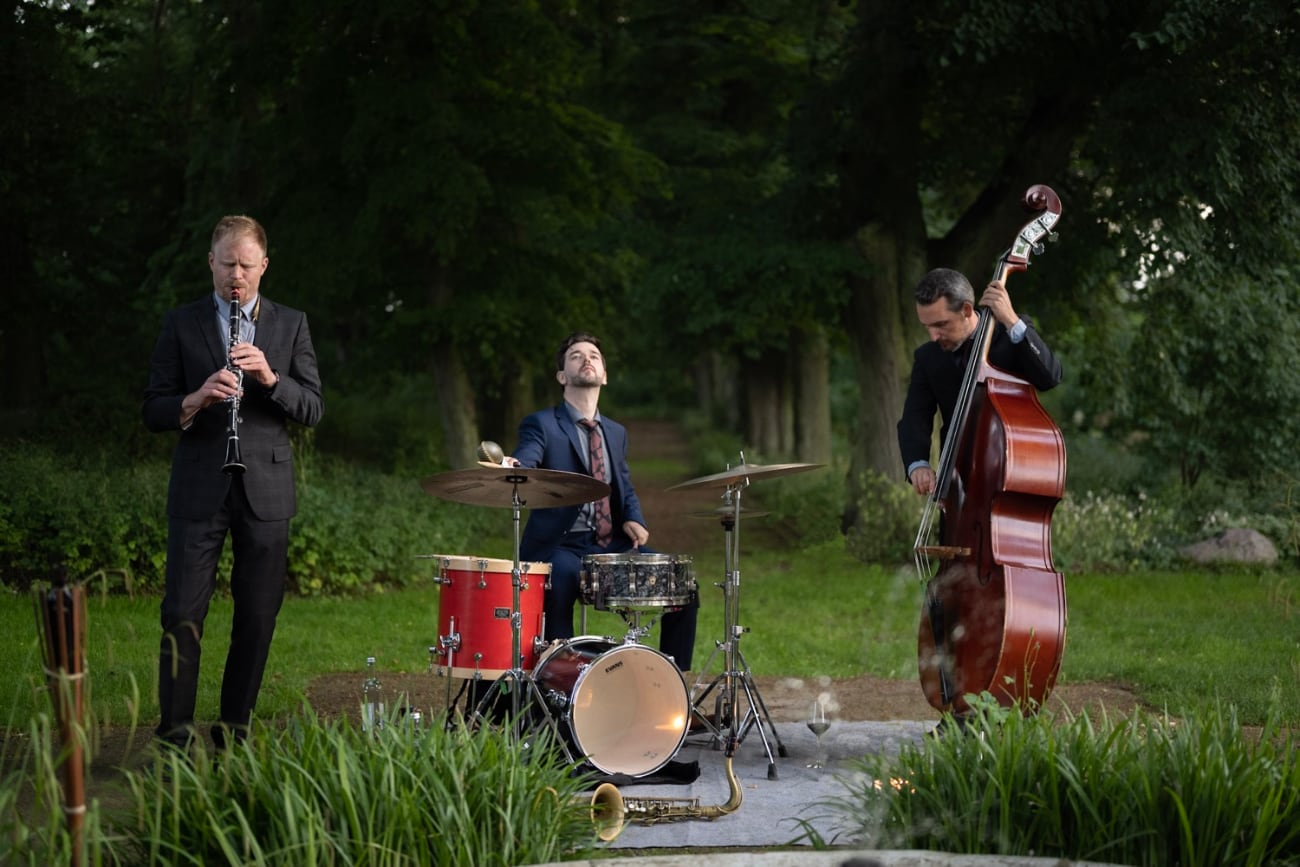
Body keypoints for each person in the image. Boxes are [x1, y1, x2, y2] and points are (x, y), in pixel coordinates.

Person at [143, 215, 323, 751]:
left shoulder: (291, 324)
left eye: (246, 265)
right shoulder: (182, 323)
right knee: (181, 612)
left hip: (266, 493)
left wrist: (270, 379)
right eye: (227, 264)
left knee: (258, 616)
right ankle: (174, 736)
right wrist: (195, 399)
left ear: (264, 266)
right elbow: (153, 408)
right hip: (199, 488)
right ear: (211, 263)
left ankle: (233, 731)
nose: (236, 275)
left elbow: (313, 408)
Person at [508, 331, 698, 671]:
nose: (587, 359)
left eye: (594, 355)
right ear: (562, 376)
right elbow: (528, 458)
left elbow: (622, 482)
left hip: (611, 547)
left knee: (683, 586)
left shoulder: (615, 431)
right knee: (560, 581)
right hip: (562, 545)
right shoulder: (542, 424)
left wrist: (634, 517)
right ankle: (558, 683)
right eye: (576, 355)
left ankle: (673, 681)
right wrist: (517, 467)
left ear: (604, 376)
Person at [897, 268, 1063, 494]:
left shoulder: (1010, 335)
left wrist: (1012, 321)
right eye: (927, 326)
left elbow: (1050, 377)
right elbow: (914, 416)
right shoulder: (927, 357)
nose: (933, 336)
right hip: (956, 487)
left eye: (940, 325)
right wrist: (918, 464)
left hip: (1011, 479)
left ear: (966, 310)